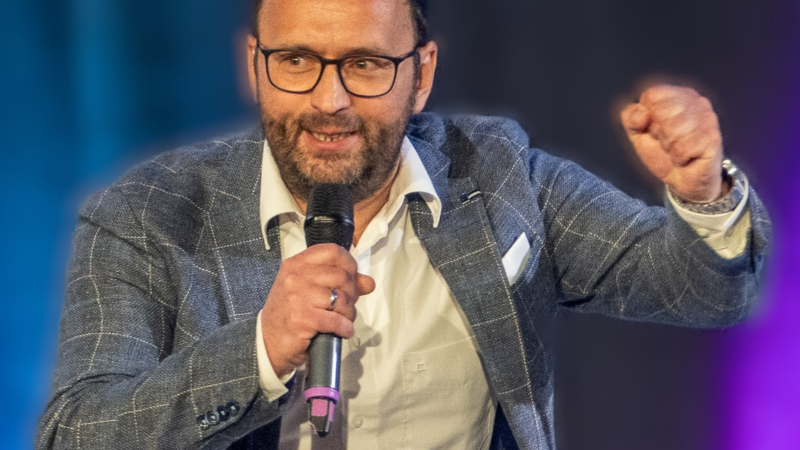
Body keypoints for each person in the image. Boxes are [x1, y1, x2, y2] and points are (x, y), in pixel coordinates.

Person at [36, 0, 771, 448]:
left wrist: (705, 193)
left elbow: (704, 290)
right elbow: (77, 435)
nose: (329, 100)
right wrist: (258, 352)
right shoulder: (147, 214)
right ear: (255, 66)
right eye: (296, 60)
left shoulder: (502, 177)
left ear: (421, 73)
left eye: (364, 64)